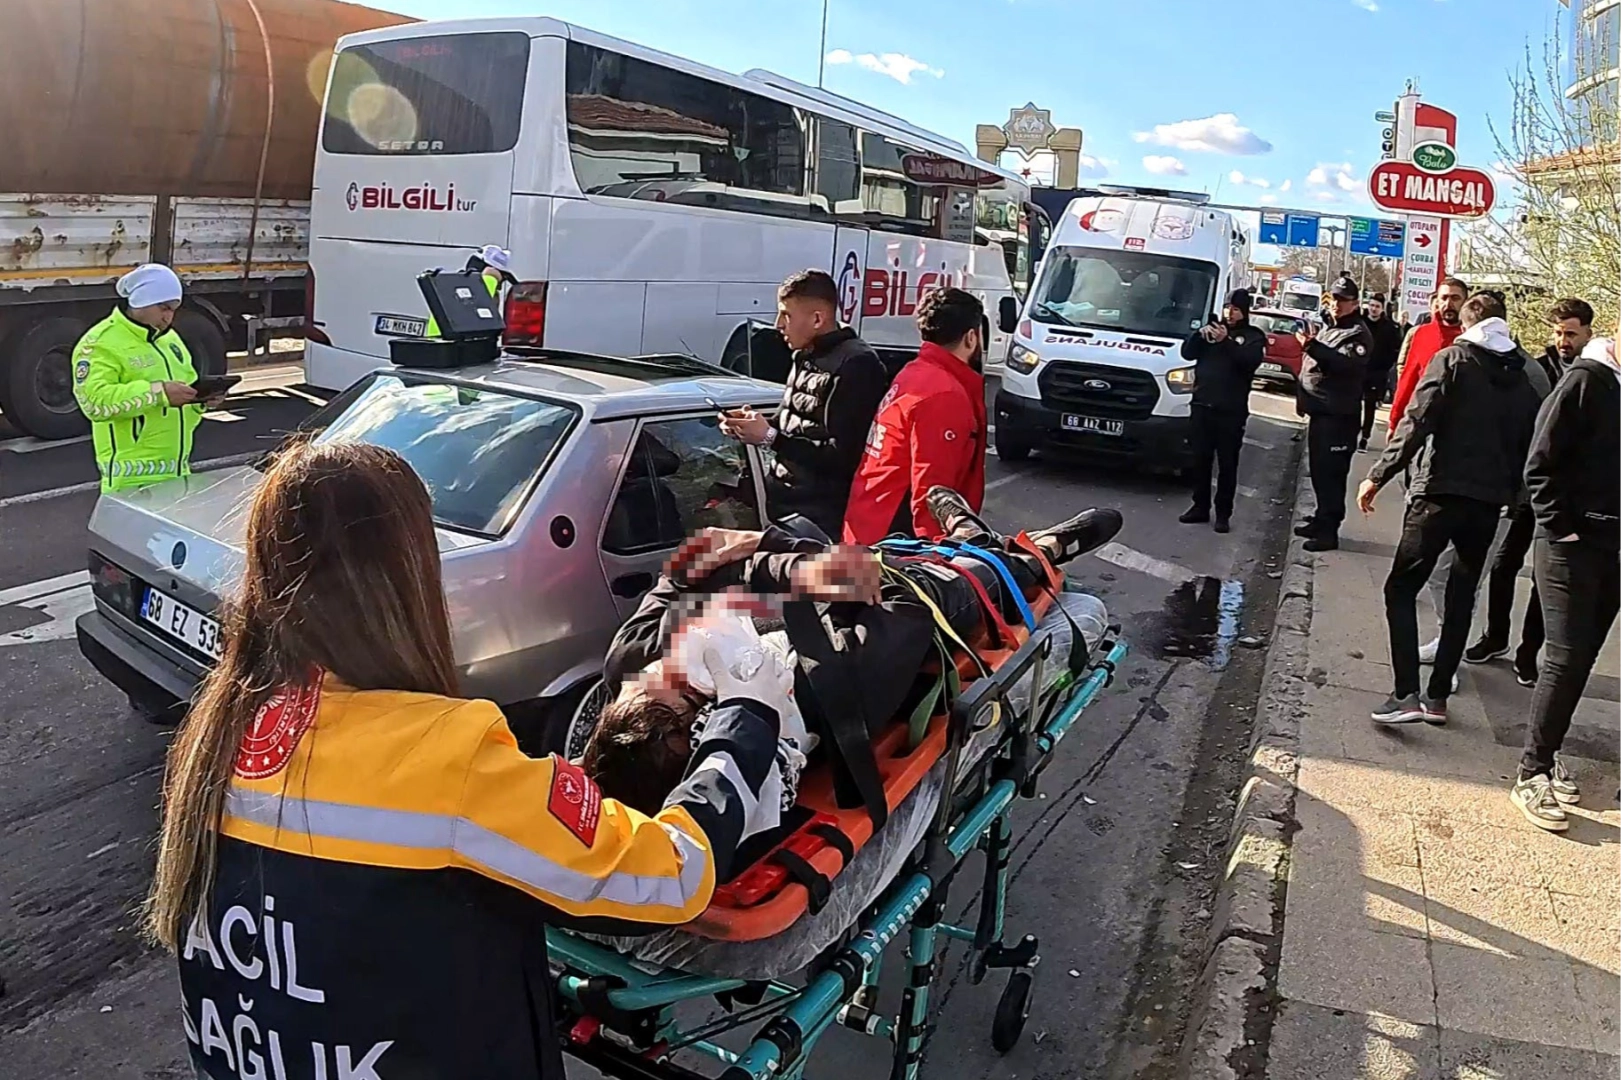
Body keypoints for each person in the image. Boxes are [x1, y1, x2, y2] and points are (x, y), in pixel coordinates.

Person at [145, 441, 785, 1080]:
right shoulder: (445, 756)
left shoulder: (219, 733)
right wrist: (746, 717)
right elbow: (672, 875)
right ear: (409, 575)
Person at [589, 489, 1124, 812]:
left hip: (843, 571)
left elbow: (694, 562)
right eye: (688, 688)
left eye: (650, 682)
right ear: (717, 722)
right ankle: (1041, 549)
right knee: (982, 573)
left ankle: (967, 528)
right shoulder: (831, 689)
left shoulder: (635, 661)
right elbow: (889, 594)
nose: (674, 662)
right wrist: (784, 558)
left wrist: (781, 559)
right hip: (922, 593)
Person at [1356, 293, 1547, 726]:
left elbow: (1417, 420)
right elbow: (1533, 445)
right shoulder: (1525, 376)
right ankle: (1438, 697)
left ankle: (1405, 693)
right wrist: (1516, 497)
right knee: (1462, 597)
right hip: (1489, 505)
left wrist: (1378, 475)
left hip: (1439, 494)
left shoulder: (1453, 360)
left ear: (1466, 325)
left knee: (1401, 588)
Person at [1511, 330, 1621, 830]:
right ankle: (1530, 772)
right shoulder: (1585, 381)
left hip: (1612, 548)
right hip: (1569, 546)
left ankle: (1547, 750)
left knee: (1582, 659)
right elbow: (1539, 464)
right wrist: (1562, 528)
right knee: (1565, 656)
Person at [1464, 297, 1594, 686]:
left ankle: (1527, 653)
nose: (1563, 341)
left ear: (1588, 332)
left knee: (1543, 578)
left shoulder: (1596, 377)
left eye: (1571, 334)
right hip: (1527, 488)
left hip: (1565, 495)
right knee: (1503, 564)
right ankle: (1495, 636)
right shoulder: (1535, 369)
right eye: (1558, 332)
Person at [720, 270, 887, 538]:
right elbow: (793, 423)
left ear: (817, 319)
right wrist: (751, 425)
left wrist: (770, 437)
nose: (778, 325)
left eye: (786, 315)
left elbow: (844, 458)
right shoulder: (804, 355)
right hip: (785, 503)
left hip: (820, 518)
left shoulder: (857, 365)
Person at [844, 287, 988, 545]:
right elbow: (933, 493)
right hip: (897, 540)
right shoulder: (943, 394)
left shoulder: (915, 373)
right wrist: (937, 553)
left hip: (872, 522)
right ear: (971, 338)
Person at [73, 264, 223, 493]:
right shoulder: (100, 343)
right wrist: (158, 394)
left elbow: (186, 388)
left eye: (174, 310)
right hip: (130, 484)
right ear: (140, 301)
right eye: (163, 308)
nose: (169, 317)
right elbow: (94, 403)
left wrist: (201, 400)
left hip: (178, 475)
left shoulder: (169, 339)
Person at [1294, 276, 1373, 552]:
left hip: (1339, 417)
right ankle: (1320, 519)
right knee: (1318, 471)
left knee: (1332, 475)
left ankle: (1329, 531)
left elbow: (1345, 366)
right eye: (1334, 299)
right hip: (1320, 412)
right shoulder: (1330, 327)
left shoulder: (1357, 334)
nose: (1337, 305)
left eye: (1343, 300)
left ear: (1355, 303)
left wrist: (1311, 346)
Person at [1177, 289, 1265, 534]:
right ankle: (1199, 506)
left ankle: (1223, 513)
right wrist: (1199, 335)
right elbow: (1187, 353)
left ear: (1244, 311)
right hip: (1203, 405)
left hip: (1230, 411)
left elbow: (1249, 363)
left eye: (1235, 309)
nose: (1230, 313)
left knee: (1227, 464)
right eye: (1227, 308)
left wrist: (1226, 341)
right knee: (1200, 460)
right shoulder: (1212, 332)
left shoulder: (1253, 337)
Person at [1389, 277, 1469, 433]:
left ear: (1465, 302)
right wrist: (1395, 421)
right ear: (1437, 301)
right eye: (1444, 298)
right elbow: (1408, 379)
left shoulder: (1473, 336)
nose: (1448, 304)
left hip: (1459, 425)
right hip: (1423, 419)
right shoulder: (1423, 334)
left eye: (1455, 298)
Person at [424, 244, 515, 337]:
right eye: (501, 278)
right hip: (453, 343)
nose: (500, 286)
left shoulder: (452, 285)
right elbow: (478, 303)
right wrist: (490, 279)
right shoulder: (475, 289)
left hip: (438, 341)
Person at [1359, 293, 1404, 451]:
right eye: (1371, 305)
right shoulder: (1360, 322)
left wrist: (1384, 368)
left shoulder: (1389, 327)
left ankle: (1364, 437)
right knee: (1353, 404)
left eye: (1377, 306)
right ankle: (1351, 433)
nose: (1373, 309)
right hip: (1358, 369)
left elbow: (1394, 350)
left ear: (1382, 308)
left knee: (1370, 407)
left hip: (1376, 373)